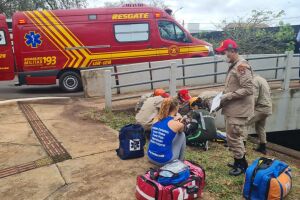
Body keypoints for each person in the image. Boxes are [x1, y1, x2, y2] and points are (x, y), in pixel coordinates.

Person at [215, 39, 254, 176]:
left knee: (234, 137)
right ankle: (238, 161)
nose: (223, 55)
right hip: (233, 108)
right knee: (231, 136)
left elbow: (249, 89)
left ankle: (242, 165)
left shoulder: (241, 66)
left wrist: (228, 96)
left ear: (232, 51)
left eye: (224, 52)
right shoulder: (235, 65)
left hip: (239, 109)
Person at [147, 98, 186, 166]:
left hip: (150, 157)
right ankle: (181, 162)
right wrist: (179, 118)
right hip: (164, 161)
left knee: (168, 133)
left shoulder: (156, 119)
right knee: (182, 135)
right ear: (176, 108)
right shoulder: (177, 124)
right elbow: (181, 130)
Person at [245, 74, 272, 154]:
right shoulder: (262, 79)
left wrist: (249, 109)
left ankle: (242, 146)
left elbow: (254, 97)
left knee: (244, 123)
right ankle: (263, 147)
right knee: (260, 127)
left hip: (260, 108)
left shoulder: (254, 81)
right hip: (267, 107)